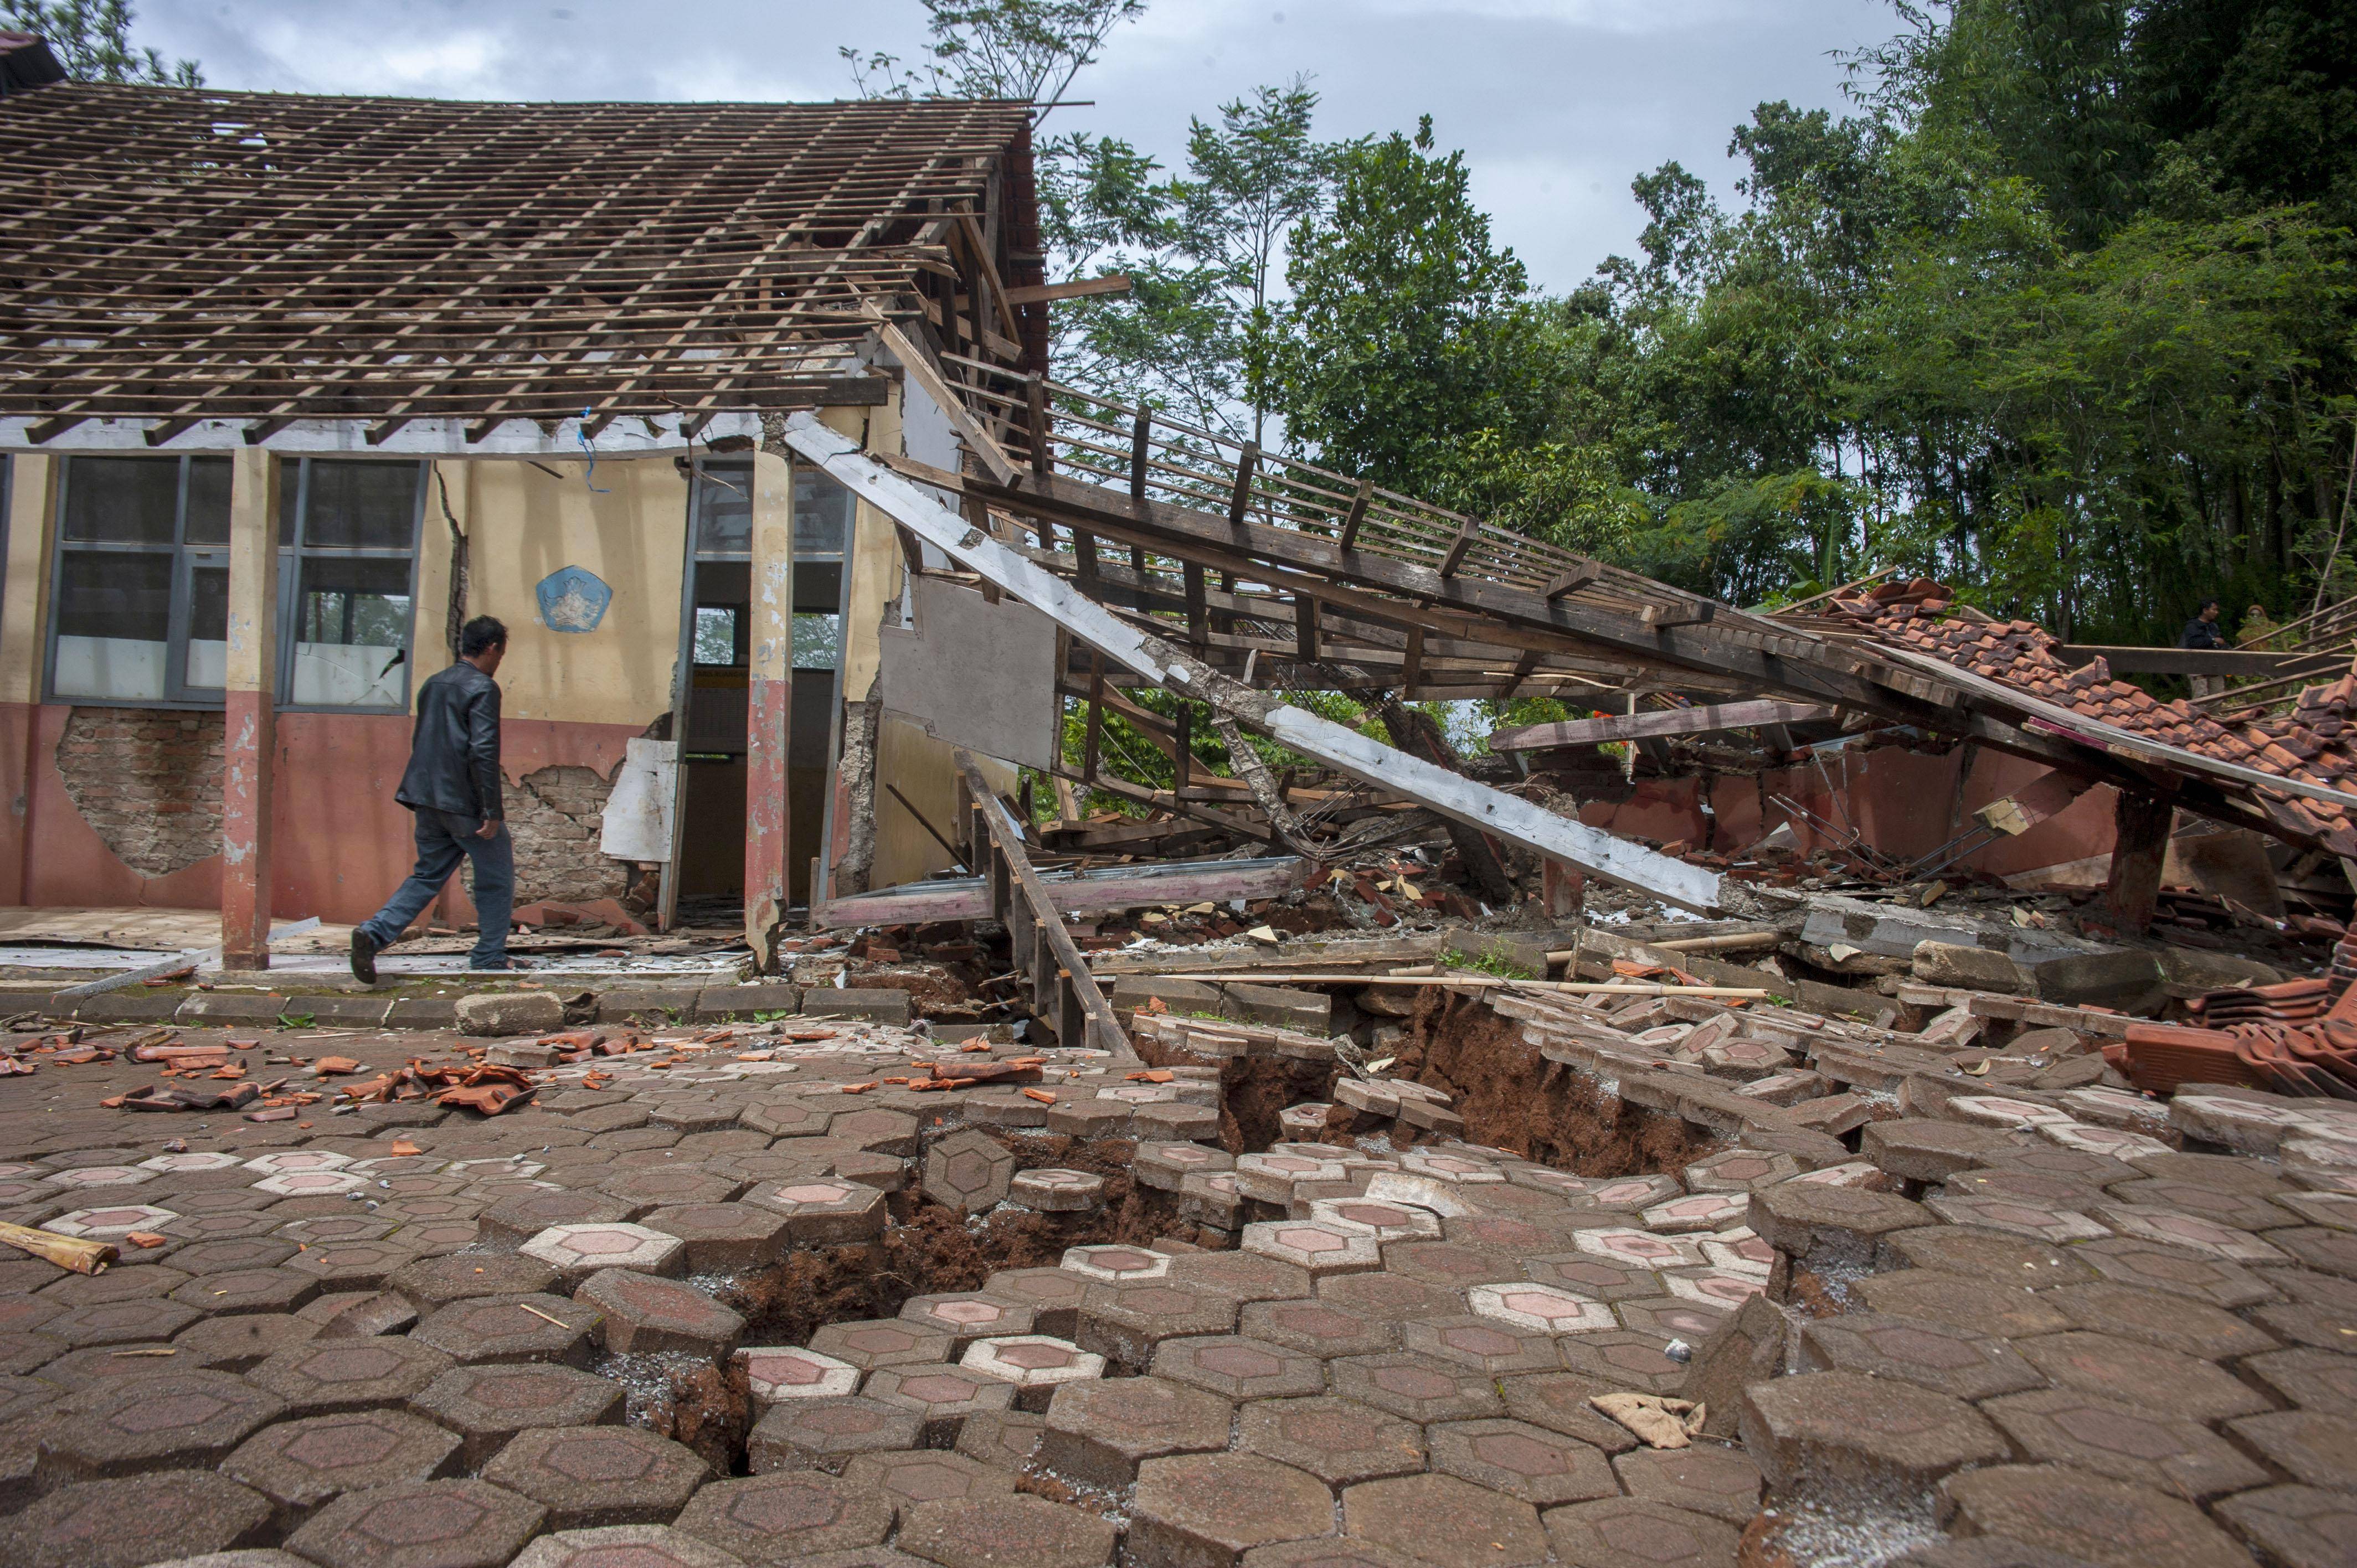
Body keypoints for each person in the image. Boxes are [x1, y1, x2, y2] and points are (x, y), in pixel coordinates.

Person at [350, 616, 518, 979]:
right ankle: (489, 954)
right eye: (501, 654)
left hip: (425, 798)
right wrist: (491, 809)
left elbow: (423, 741)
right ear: (491, 649)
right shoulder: (483, 688)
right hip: (464, 802)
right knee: (496, 877)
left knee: (427, 875)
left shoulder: (434, 683)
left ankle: (374, 933)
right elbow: (483, 751)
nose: (499, 661)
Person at [2180, 598, 2227, 698]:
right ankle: (2200, 714)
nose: (2216, 612)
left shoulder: (2214, 627)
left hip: (2214, 665)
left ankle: (2212, 714)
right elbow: (2193, 643)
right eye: (2214, 610)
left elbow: (2221, 644)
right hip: (2196, 664)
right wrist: (2213, 640)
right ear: (2205, 610)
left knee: (2218, 696)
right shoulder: (2192, 626)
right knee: (2201, 697)